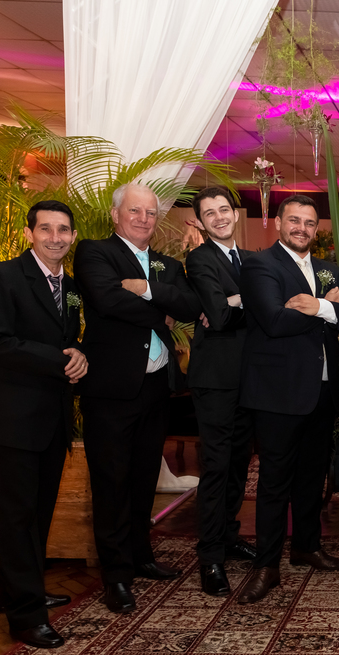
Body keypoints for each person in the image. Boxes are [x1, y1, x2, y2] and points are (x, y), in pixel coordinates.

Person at [74, 183, 200, 615]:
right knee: (111, 482)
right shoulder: (95, 253)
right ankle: (115, 575)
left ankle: (141, 555)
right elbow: (107, 301)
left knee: (145, 476)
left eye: (150, 213)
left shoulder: (166, 264)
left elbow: (189, 305)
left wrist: (146, 289)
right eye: (135, 211)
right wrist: (161, 307)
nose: (144, 219)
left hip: (155, 387)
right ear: (116, 214)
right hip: (111, 390)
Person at [238, 194, 339, 604]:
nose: (302, 228)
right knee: (274, 483)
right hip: (278, 393)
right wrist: (329, 308)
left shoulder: (329, 269)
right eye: (294, 220)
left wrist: (318, 306)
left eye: (309, 223)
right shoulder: (260, 265)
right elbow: (274, 320)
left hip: (323, 392)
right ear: (278, 223)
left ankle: (307, 546)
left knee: (312, 477)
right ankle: (266, 565)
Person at [0, 200, 87, 648]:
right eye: (46, 229)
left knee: (37, 516)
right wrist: (61, 359)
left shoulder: (70, 286)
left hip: (52, 420)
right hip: (13, 422)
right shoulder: (4, 276)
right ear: (29, 233)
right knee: (15, 519)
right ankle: (26, 617)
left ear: (72, 236)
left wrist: (78, 352)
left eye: (63, 230)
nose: (55, 237)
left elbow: (69, 337)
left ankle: (21, 591)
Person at [184, 186, 258, 597]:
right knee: (216, 467)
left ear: (236, 213)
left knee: (239, 465)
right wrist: (247, 300)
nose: (219, 217)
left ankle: (228, 537)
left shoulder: (250, 259)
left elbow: (249, 311)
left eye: (224, 209)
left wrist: (234, 301)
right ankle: (210, 556)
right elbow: (217, 314)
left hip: (249, 378)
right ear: (201, 221)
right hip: (215, 380)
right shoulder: (200, 258)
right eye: (209, 213)